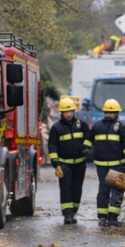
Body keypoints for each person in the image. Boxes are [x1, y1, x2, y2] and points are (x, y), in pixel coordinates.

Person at [47, 96, 92, 225]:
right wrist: (56, 164)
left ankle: (73, 212)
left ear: (73, 111)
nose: (68, 114)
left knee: (77, 189)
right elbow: (53, 147)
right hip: (64, 164)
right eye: (65, 112)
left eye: (70, 111)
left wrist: (88, 151)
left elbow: (89, 140)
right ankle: (67, 215)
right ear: (61, 112)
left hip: (80, 164)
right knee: (66, 188)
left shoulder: (82, 125)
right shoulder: (56, 128)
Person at [90, 98, 125, 227]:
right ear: (117, 113)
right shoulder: (121, 128)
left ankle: (103, 218)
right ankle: (113, 219)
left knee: (103, 190)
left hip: (103, 166)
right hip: (117, 165)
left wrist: (88, 152)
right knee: (117, 190)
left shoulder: (97, 126)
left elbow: (88, 141)